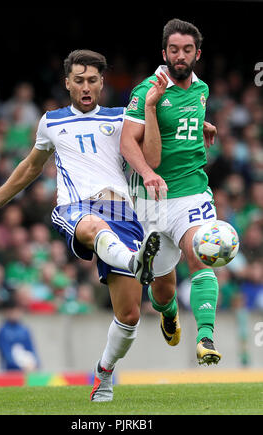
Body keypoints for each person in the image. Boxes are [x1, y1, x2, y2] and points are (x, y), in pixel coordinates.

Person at [0, 50, 160, 401]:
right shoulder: (52, 122)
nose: (86, 87)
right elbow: (30, 167)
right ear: (67, 83)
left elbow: (164, 139)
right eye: (79, 80)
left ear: (102, 83)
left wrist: (202, 126)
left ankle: (104, 372)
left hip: (124, 216)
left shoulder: (121, 118)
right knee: (91, 225)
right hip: (75, 207)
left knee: (129, 315)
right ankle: (133, 260)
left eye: (92, 80)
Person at [120, 18, 222, 365]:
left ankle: (205, 337)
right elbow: (126, 143)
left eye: (188, 50)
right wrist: (147, 172)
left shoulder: (202, 89)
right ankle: (168, 312)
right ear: (164, 53)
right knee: (162, 289)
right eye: (174, 50)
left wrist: (202, 126)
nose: (181, 56)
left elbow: (184, 116)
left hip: (192, 193)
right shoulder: (146, 90)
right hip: (152, 203)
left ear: (197, 54)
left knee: (201, 254)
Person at [0, 298, 39, 372]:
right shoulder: (3, 331)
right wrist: (20, 367)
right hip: (10, 371)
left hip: (28, 369)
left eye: (17, 311)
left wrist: (36, 363)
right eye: (12, 311)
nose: (15, 314)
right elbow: (6, 353)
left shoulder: (24, 330)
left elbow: (31, 348)